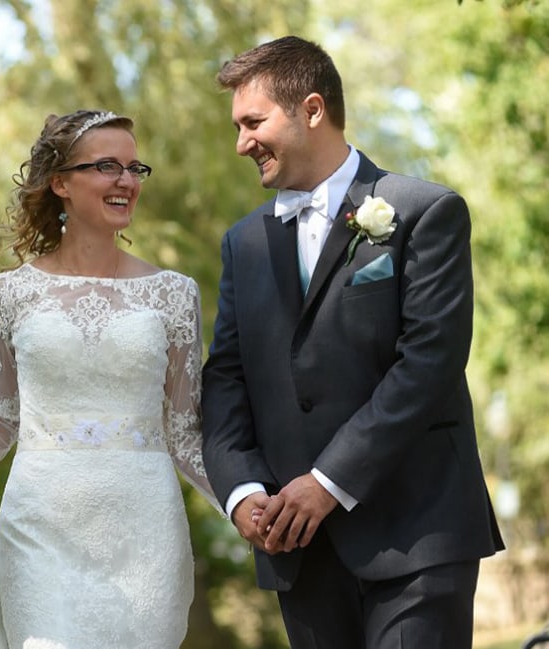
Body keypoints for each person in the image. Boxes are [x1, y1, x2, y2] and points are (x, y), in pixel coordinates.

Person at [200, 36, 504, 649]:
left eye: (253, 122)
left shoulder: (424, 212)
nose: (241, 143)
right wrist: (242, 493)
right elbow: (226, 378)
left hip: (416, 533)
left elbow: (428, 365)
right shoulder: (245, 244)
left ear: (311, 110)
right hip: (299, 550)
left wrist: (329, 482)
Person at [0, 109, 220, 649]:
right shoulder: (9, 294)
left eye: (136, 168)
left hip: (145, 530)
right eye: (107, 166)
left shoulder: (174, 294)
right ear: (60, 183)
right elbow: (4, 416)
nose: (126, 181)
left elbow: (185, 435)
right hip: (41, 524)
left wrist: (246, 507)